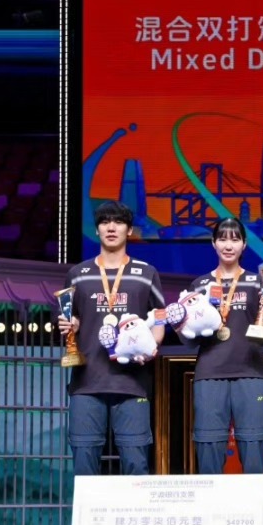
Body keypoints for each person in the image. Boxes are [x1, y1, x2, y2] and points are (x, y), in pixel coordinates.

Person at [59, 201, 166, 476]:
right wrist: (70, 324)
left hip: (132, 382)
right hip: (87, 381)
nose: (111, 227)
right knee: (84, 467)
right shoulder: (78, 274)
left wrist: (153, 346)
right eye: (105, 222)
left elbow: (160, 316)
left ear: (129, 230)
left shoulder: (146, 273)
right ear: (97, 230)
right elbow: (72, 317)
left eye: (118, 222)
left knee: (136, 465)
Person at [186, 217, 263, 474]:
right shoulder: (200, 285)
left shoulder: (257, 282)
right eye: (223, 239)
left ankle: (254, 503)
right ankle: (210, 503)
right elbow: (191, 337)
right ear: (213, 243)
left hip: (250, 373)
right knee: (209, 453)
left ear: (244, 244)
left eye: (235, 239)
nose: (228, 245)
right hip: (209, 374)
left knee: (254, 452)